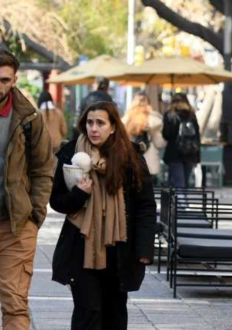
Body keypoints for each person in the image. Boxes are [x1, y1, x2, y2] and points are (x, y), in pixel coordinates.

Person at [49, 101, 156, 329]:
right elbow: (56, 201)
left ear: (113, 127)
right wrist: (79, 194)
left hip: (119, 250)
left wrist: (145, 248)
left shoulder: (131, 158)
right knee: (88, 312)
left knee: (115, 313)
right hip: (81, 249)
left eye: (100, 123)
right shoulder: (71, 154)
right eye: (89, 123)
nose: (94, 129)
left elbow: (145, 205)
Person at [0, 48, 55, 330]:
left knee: (14, 307)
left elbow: (44, 169)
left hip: (15, 228)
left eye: (4, 80)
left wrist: (34, 218)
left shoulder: (29, 119)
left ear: (14, 81)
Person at [122, 92, 167, 178]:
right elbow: (159, 143)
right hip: (149, 161)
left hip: (130, 159)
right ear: (149, 104)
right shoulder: (154, 121)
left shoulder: (127, 120)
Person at [162, 93, 201, 188]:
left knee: (178, 183)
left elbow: (166, 135)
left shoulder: (169, 114)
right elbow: (197, 137)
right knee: (184, 183)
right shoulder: (192, 115)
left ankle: (183, 203)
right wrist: (198, 157)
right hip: (190, 153)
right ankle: (182, 202)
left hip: (174, 153)